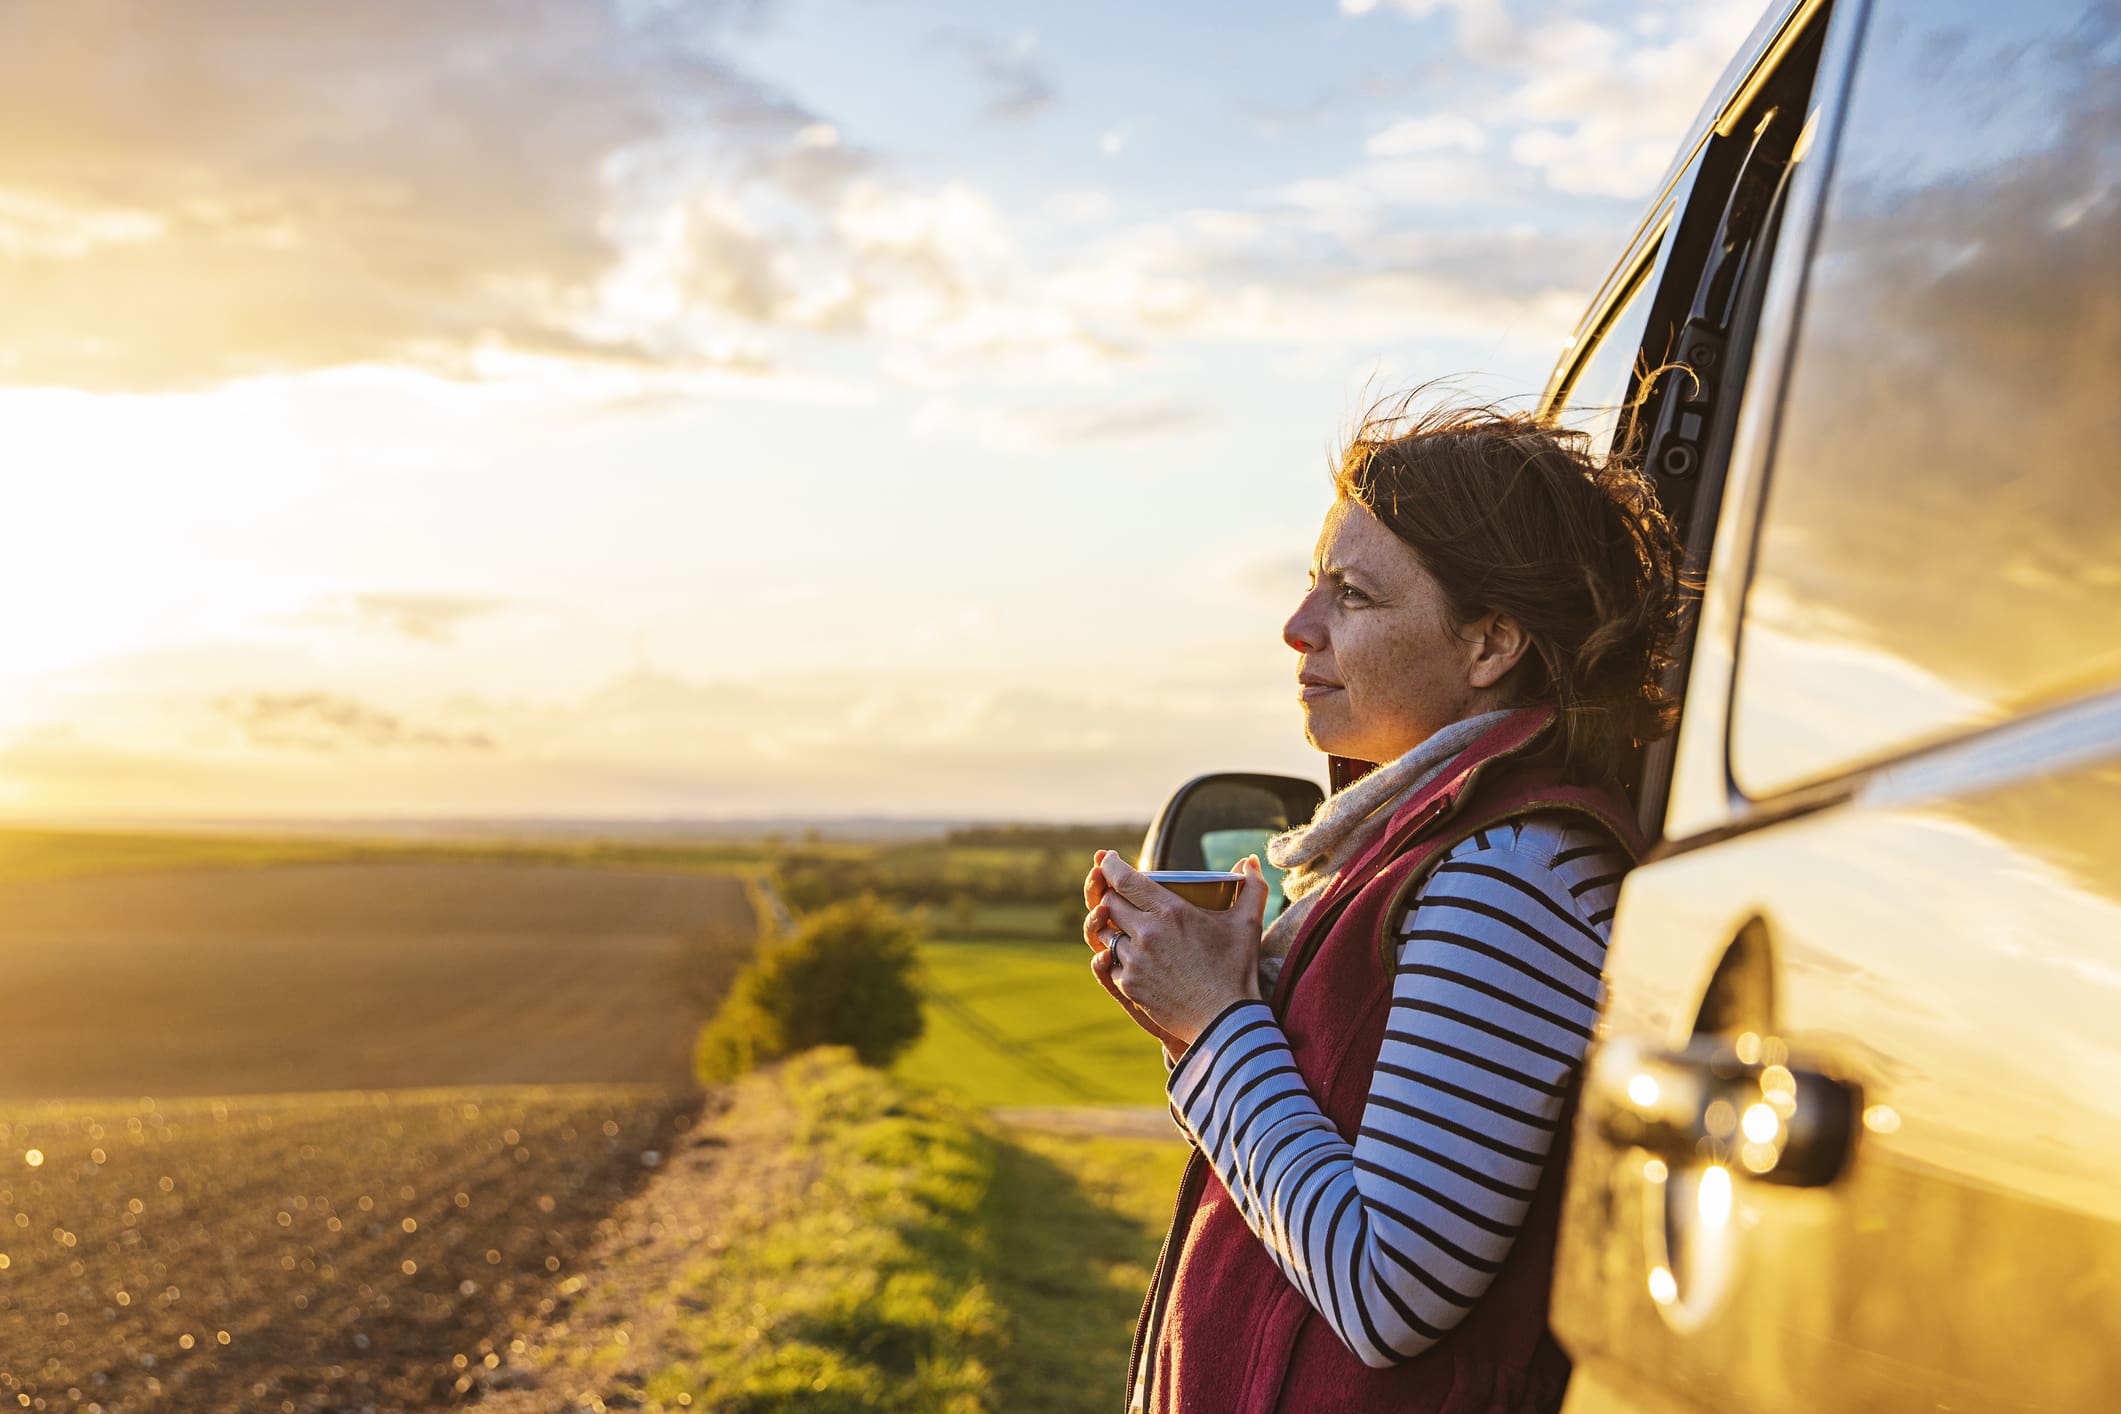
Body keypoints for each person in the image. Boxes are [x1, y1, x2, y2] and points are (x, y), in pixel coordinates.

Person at [1081, 400, 1683, 1413]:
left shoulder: (1509, 870)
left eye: (1351, 594)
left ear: (1490, 644)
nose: (1297, 625)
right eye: (1314, 580)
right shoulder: (1442, 847)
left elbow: (1391, 1286)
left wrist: (1214, 1023)